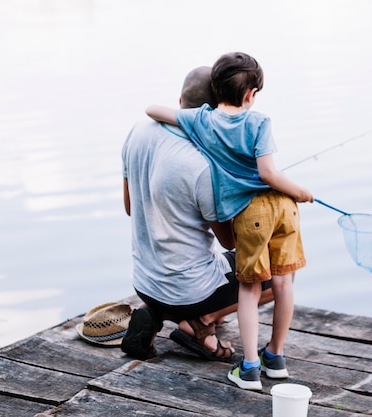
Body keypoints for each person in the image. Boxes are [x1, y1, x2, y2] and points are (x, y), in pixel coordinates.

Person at [146, 52, 314, 390]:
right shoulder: (260, 122)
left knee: (250, 289)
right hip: (284, 208)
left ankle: (249, 368)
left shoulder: (202, 121)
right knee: (284, 283)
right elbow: (269, 172)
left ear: (215, 88)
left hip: (251, 215)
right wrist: (300, 192)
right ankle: (275, 357)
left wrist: (190, 115)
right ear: (251, 95)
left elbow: (152, 109)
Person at [120, 66, 274, 363]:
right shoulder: (204, 164)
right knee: (277, 271)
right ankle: (202, 321)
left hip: (143, 283)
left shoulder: (138, 131)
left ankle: (155, 313)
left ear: (180, 101)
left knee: (189, 274)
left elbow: (130, 208)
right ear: (216, 114)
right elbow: (229, 241)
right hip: (190, 293)